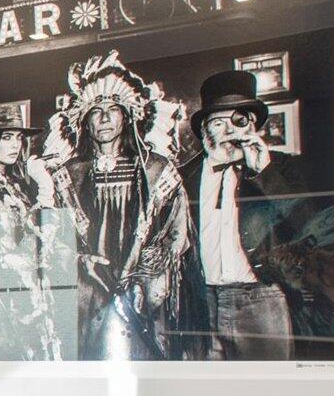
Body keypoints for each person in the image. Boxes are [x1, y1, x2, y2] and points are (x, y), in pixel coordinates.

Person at [58, 54, 187, 361]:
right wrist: (80, 260)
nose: (103, 119)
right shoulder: (69, 173)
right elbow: (55, 236)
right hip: (87, 286)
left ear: (128, 116)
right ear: (84, 122)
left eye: (112, 110)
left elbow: (176, 233)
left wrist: (145, 274)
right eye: (95, 112)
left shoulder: (155, 169)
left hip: (140, 287)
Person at [177, 69, 309, 359]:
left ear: (253, 126)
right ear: (203, 131)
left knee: (265, 393)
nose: (230, 132)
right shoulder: (182, 177)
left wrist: (265, 173)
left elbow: (305, 226)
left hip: (262, 299)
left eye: (239, 120)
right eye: (218, 123)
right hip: (203, 302)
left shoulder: (279, 168)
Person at [0, 125, 69, 361]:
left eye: (18, 138)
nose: (15, 145)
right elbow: (26, 246)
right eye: (6, 138)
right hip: (5, 297)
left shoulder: (11, 183)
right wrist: (46, 190)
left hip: (25, 292)